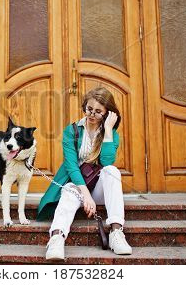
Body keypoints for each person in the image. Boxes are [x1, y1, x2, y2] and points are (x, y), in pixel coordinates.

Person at [36, 87, 132, 260]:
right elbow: (71, 166)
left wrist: (108, 130)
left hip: (99, 190)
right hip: (77, 186)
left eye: (98, 112)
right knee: (68, 191)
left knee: (112, 171)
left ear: (108, 113)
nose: (92, 115)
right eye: (89, 109)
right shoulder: (71, 131)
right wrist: (85, 194)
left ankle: (116, 232)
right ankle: (57, 238)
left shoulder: (112, 134)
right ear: (84, 107)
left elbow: (107, 161)